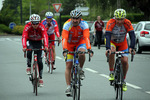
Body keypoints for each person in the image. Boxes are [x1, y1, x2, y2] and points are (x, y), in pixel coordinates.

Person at [62, 9, 94, 96]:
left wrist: (89, 48)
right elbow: (64, 38)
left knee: (82, 52)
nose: (75, 20)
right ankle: (68, 86)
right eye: (73, 18)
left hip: (80, 42)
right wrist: (65, 49)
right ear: (71, 18)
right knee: (68, 65)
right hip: (69, 44)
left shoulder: (84, 24)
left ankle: (80, 68)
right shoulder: (67, 25)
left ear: (80, 18)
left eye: (77, 18)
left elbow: (86, 37)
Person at [105, 9, 135, 91]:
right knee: (112, 50)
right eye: (117, 19)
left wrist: (132, 47)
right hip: (112, 42)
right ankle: (111, 72)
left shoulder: (127, 23)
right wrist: (107, 48)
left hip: (122, 43)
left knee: (125, 61)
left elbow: (132, 36)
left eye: (121, 19)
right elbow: (107, 36)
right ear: (114, 18)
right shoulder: (111, 22)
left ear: (124, 18)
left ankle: (124, 80)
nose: (119, 21)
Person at [22, 14, 48, 87]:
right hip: (30, 41)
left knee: (39, 61)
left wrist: (46, 46)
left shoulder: (41, 26)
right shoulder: (27, 26)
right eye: (33, 23)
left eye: (37, 23)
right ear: (31, 22)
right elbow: (24, 36)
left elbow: (45, 36)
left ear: (39, 22)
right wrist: (24, 47)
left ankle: (40, 77)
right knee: (29, 51)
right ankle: (29, 66)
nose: (35, 25)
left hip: (38, 42)